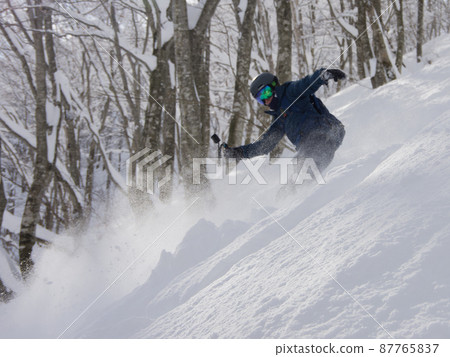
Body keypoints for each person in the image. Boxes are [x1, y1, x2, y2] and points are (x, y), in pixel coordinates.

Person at [224, 68, 346, 175]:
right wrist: (239, 152)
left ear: (274, 86)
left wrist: (323, 75)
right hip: (313, 146)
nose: (266, 100)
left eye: (265, 93)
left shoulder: (290, 92)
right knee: (292, 183)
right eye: (260, 99)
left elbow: (306, 84)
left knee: (302, 175)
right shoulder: (279, 118)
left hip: (326, 133)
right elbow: (265, 145)